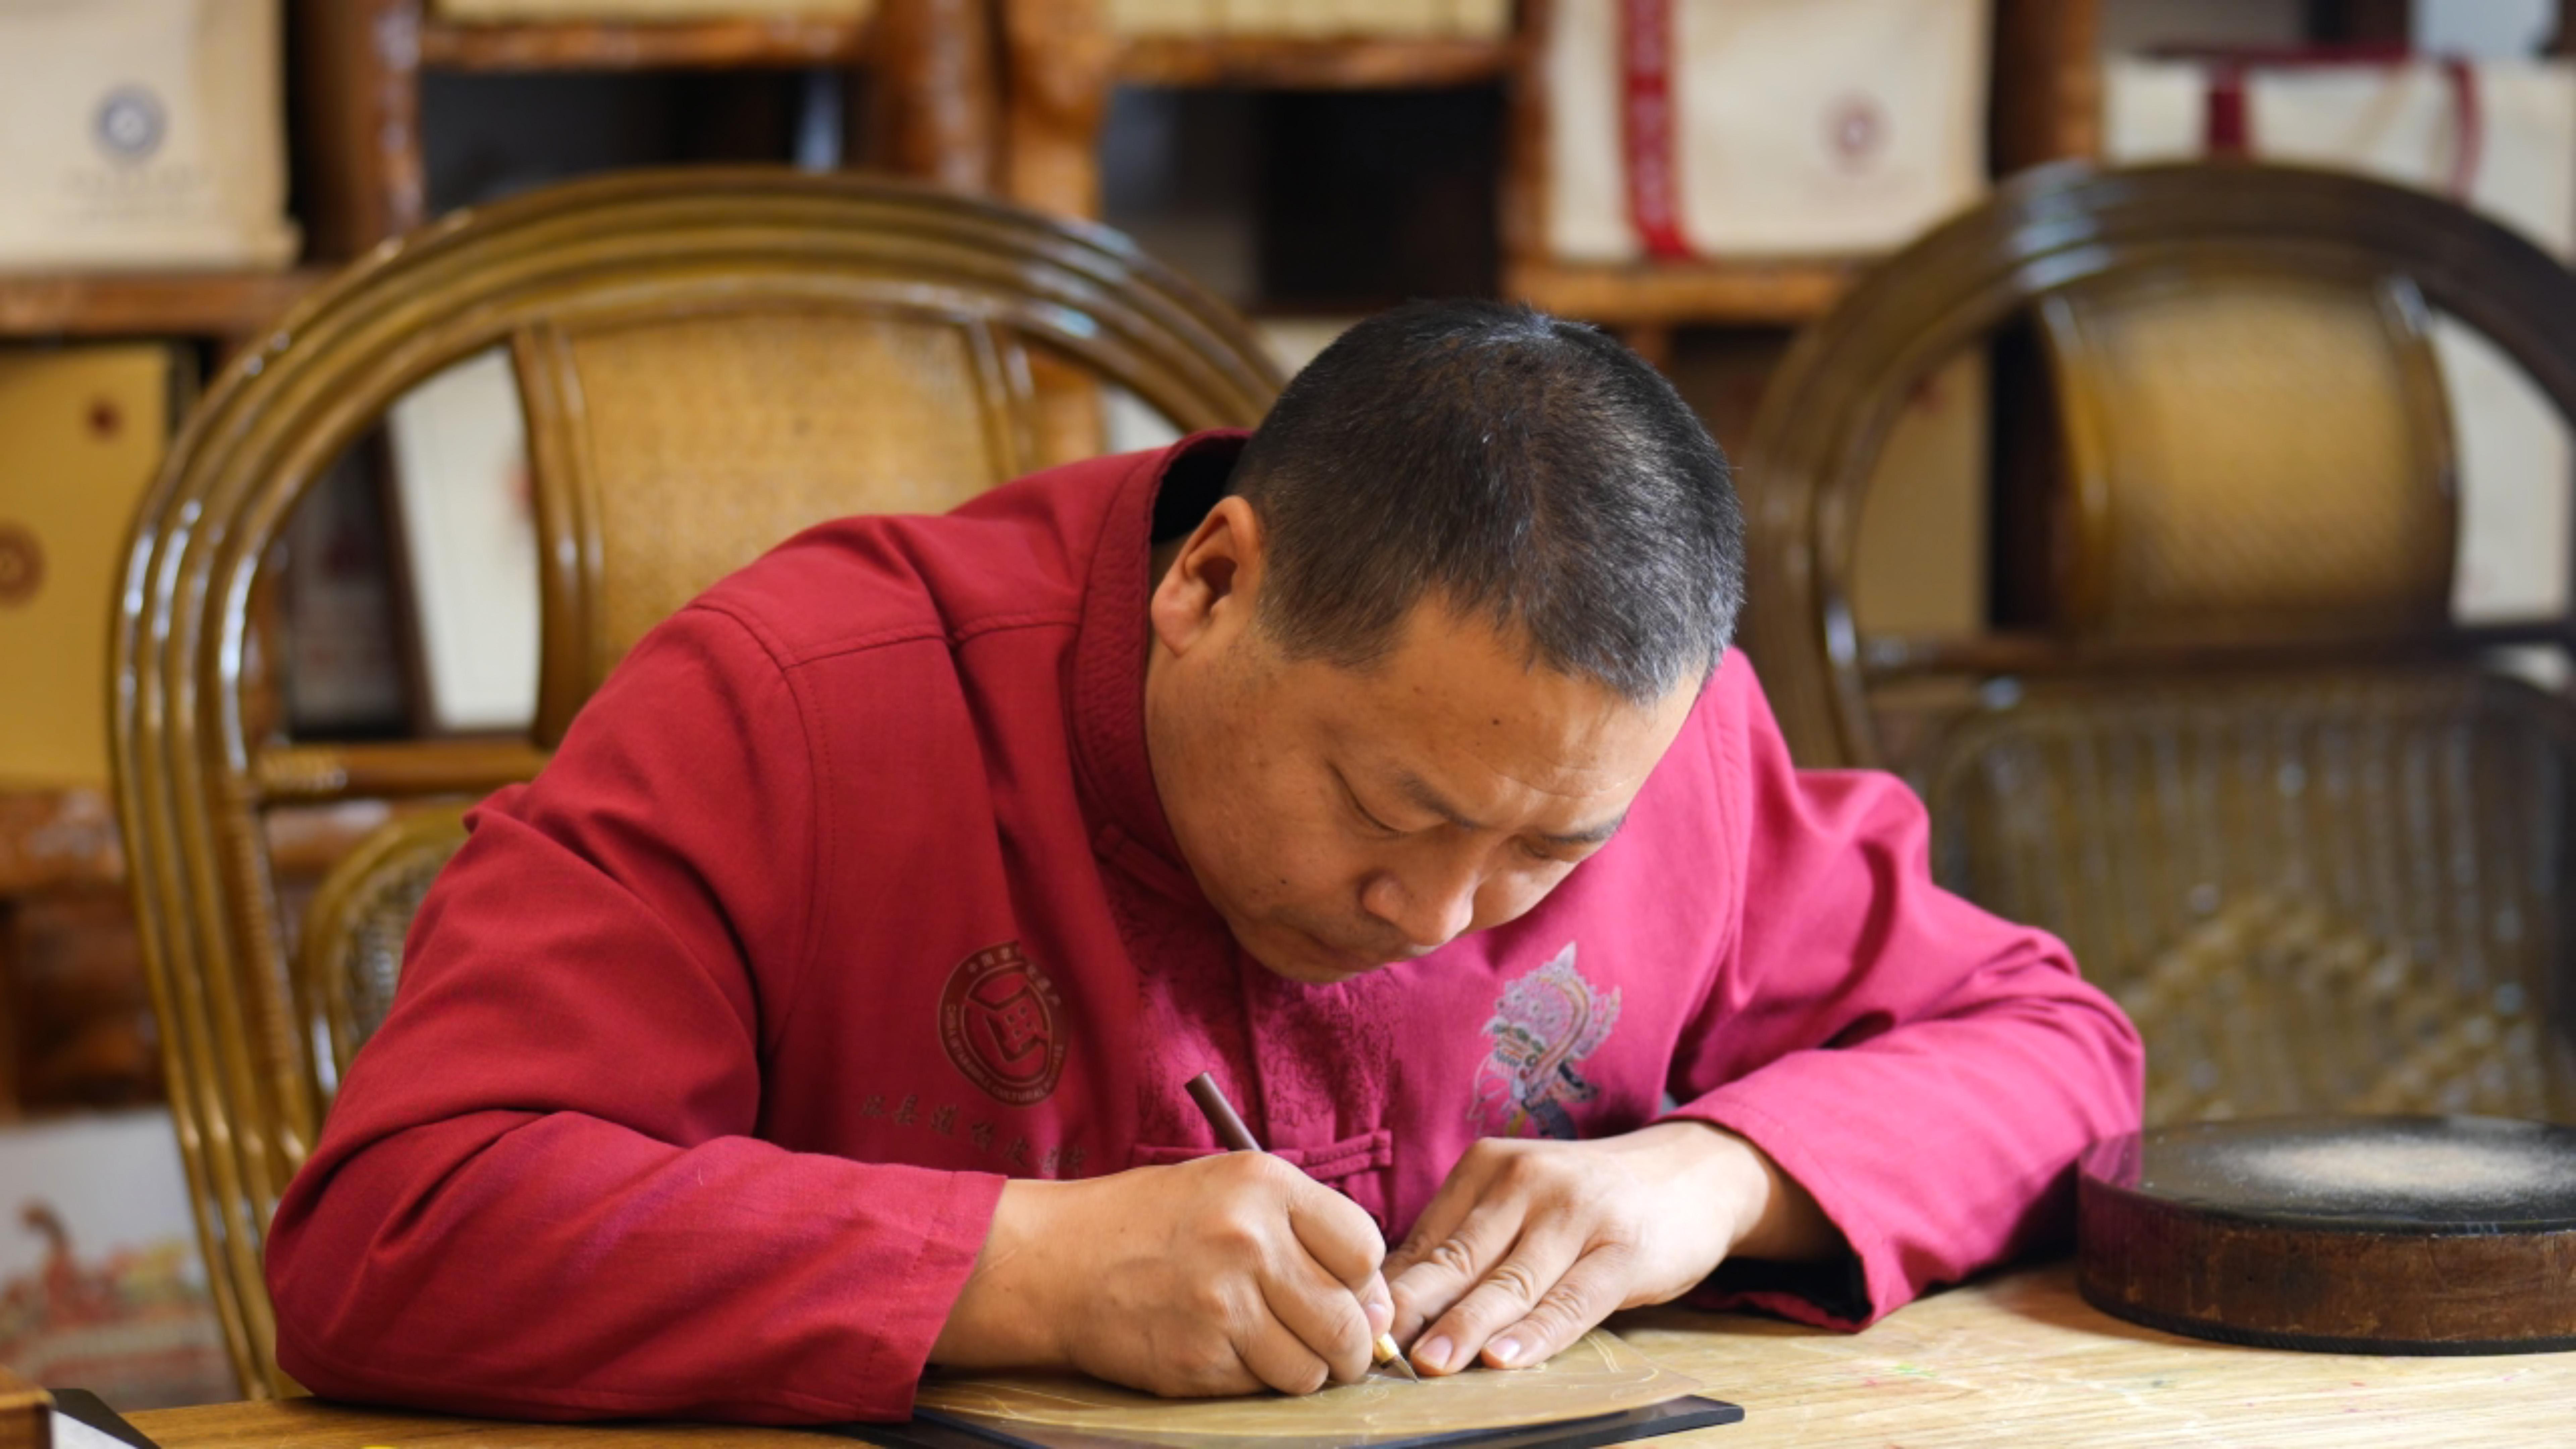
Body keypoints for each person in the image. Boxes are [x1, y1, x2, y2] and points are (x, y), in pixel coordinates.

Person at [265, 301, 2142, 1425]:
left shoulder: (1673, 745)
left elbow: (2055, 1052)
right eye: (1389, 811)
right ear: (1213, 583)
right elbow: (402, 1231)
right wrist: (1020, 1270)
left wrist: (1718, 1182)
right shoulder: (795, 707)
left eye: (1549, 857)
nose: (1439, 917)